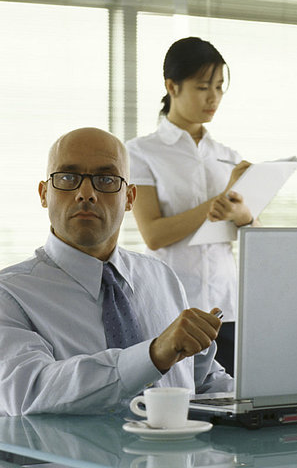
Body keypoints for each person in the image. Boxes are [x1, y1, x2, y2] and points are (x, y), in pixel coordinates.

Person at [0, 127, 233, 416]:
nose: (86, 194)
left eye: (107, 179)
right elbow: (27, 393)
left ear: (130, 198)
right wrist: (152, 355)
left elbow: (204, 381)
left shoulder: (163, 278)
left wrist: (262, 398)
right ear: (44, 193)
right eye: (68, 178)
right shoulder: (9, 295)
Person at [126, 37, 254, 376]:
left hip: (228, 307)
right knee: (180, 404)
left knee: (234, 408)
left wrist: (241, 214)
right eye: (202, 87)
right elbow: (153, 234)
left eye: (219, 87)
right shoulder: (141, 152)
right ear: (172, 86)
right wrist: (215, 203)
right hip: (172, 308)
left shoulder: (228, 155)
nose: (213, 97)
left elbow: (250, 229)